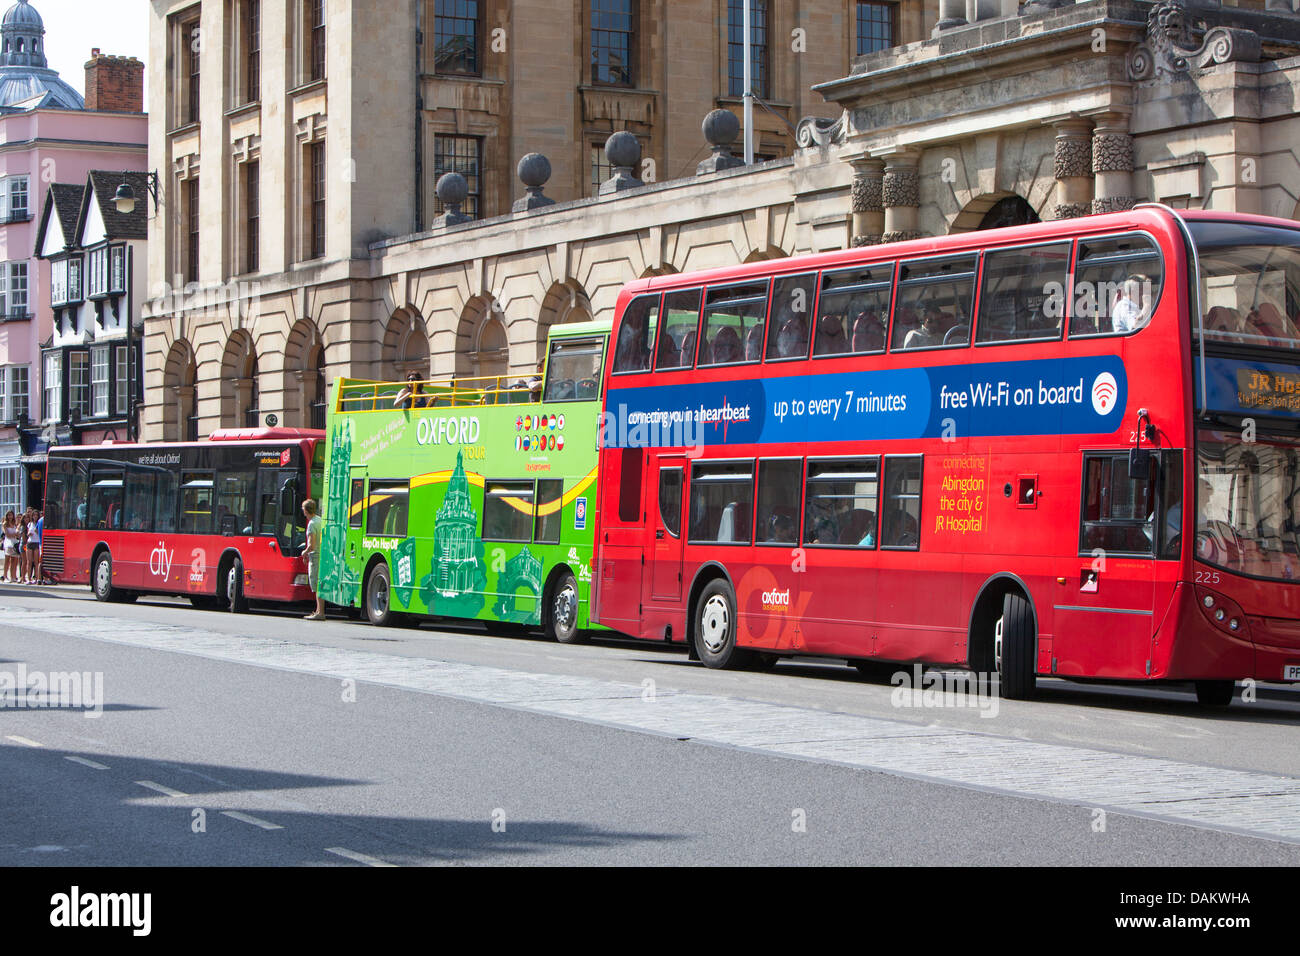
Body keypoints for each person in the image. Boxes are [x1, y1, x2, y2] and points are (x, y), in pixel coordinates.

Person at [302, 499, 325, 620]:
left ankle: (320, 612)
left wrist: (304, 552)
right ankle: (318, 610)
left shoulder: (311, 524)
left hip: (315, 556)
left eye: (303, 510)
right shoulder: (320, 520)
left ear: (306, 510)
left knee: (316, 584)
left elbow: (311, 545)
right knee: (319, 582)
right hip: (323, 555)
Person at [1, 510, 17, 582]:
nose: (10, 517)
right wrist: (14, 535)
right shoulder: (5, 524)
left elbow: (18, 534)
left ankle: (13, 576)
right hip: (8, 543)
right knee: (7, 560)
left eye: (11, 515)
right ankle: (5, 576)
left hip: (14, 543)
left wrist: (15, 535)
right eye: (8, 515)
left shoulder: (15, 523)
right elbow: (7, 535)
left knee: (14, 560)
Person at [26, 508, 41, 584]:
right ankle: (28, 578)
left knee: (36, 562)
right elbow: (28, 533)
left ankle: (37, 578)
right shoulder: (30, 523)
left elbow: (40, 533)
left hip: (37, 542)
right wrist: (28, 534)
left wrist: (37, 531)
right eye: (34, 515)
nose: (35, 516)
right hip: (30, 542)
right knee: (29, 562)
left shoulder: (39, 523)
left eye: (36, 515)